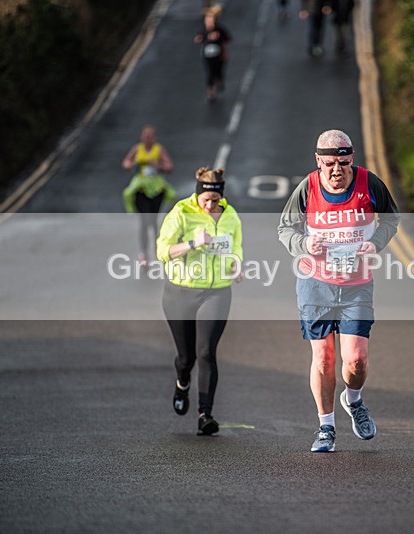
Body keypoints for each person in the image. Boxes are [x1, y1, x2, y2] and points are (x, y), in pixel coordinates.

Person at [278, 129, 400, 452]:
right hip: (315, 284)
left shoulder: (369, 183)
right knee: (323, 358)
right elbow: (285, 228)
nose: (337, 170)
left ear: (352, 160)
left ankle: (354, 400)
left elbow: (391, 218)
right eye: (330, 163)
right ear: (318, 161)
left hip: (356, 286)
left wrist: (375, 243)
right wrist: (304, 243)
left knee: (356, 360)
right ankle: (326, 427)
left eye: (344, 163)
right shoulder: (307, 188)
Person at [156, 166, 244, 436]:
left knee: (206, 351)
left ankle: (205, 414)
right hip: (180, 292)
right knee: (187, 357)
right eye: (205, 200)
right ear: (197, 195)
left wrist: (236, 266)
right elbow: (162, 251)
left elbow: (235, 248)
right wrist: (192, 244)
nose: (210, 206)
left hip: (216, 291)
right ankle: (182, 382)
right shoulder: (181, 213)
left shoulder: (230, 216)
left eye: (215, 201)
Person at [121, 125, 177, 267]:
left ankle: (158, 249)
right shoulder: (137, 149)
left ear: (154, 138)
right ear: (141, 137)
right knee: (145, 221)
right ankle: (144, 253)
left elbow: (169, 167)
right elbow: (126, 163)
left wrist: (157, 165)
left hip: (156, 190)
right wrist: (136, 162)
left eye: (150, 136)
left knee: (153, 222)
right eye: (145, 136)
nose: (148, 138)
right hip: (141, 189)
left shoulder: (159, 150)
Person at [194, 5, 231, 101]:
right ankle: (210, 91)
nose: (208, 21)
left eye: (210, 19)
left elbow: (228, 38)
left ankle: (219, 80)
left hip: (219, 54)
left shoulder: (219, 29)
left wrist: (219, 38)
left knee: (218, 70)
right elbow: (198, 38)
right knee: (210, 72)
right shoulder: (204, 30)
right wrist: (202, 38)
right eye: (207, 19)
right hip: (207, 55)